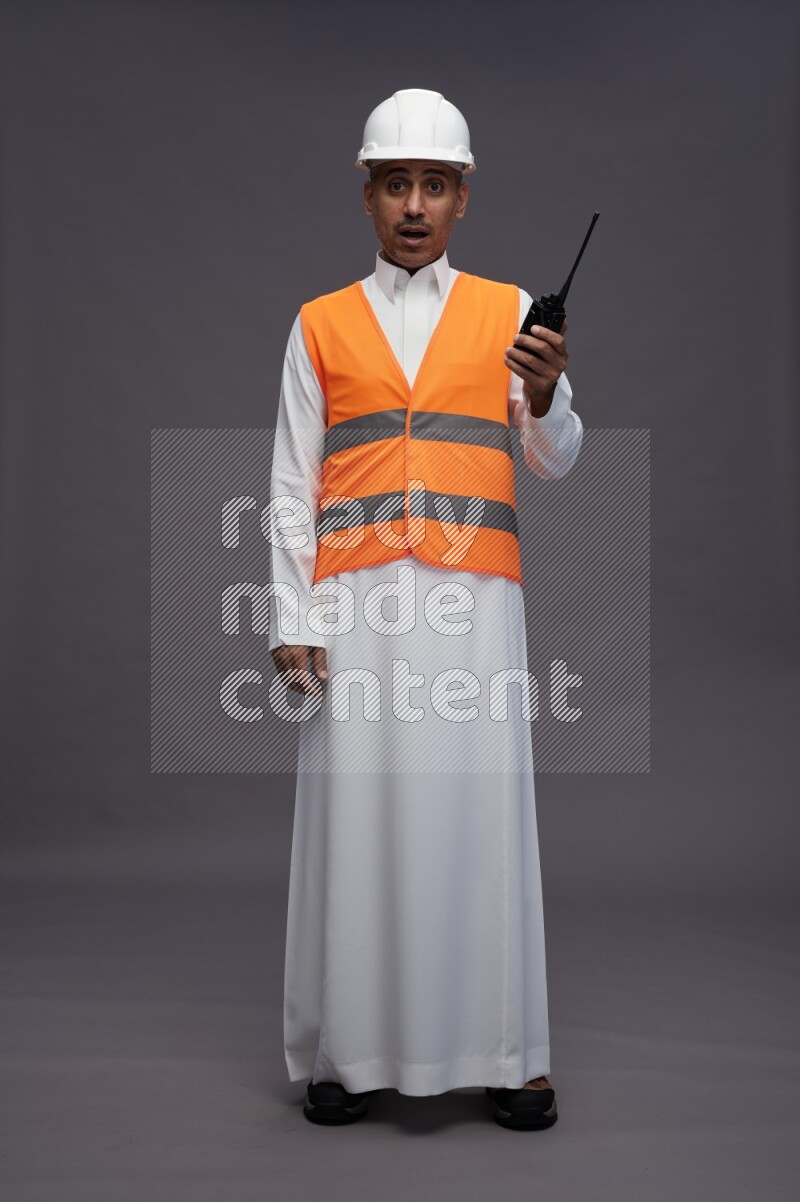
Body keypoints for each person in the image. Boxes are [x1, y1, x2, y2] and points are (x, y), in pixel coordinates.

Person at [268, 88, 583, 1130]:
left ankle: (508, 1051)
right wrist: (291, 617)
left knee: (478, 813)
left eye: (433, 185)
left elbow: (551, 458)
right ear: (368, 196)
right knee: (358, 816)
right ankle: (349, 1053)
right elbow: (288, 483)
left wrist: (541, 396)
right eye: (395, 183)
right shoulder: (318, 322)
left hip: (471, 601)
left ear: (461, 199)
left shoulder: (512, 311)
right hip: (352, 600)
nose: (414, 203)